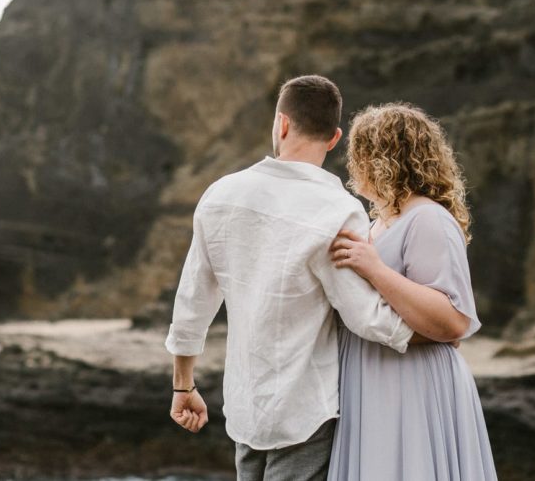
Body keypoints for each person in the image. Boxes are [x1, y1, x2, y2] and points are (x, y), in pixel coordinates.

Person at [165, 75, 437, 481]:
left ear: (282, 124)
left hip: (245, 408)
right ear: (334, 138)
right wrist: (437, 328)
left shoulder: (220, 195)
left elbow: (193, 305)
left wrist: (183, 387)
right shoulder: (338, 210)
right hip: (305, 411)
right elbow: (365, 317)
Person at [326, 102, 497, 480]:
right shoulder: (379, 224)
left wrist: (373, 268)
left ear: (383, 158)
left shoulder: (428, 218)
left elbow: (451, 321)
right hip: (375, 383)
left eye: (360, 155)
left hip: (414, 389)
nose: (353, 167)